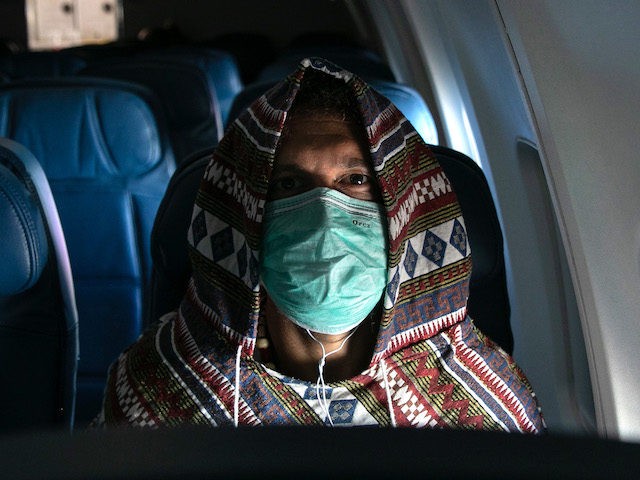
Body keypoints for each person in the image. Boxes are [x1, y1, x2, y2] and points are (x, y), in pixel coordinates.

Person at [94, 58, 545, 431]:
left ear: (403, 211)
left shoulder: (480, 405)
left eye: (355, 180)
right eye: (288, 184)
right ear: (243, 213)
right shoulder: (159, 391)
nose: (325, 217)